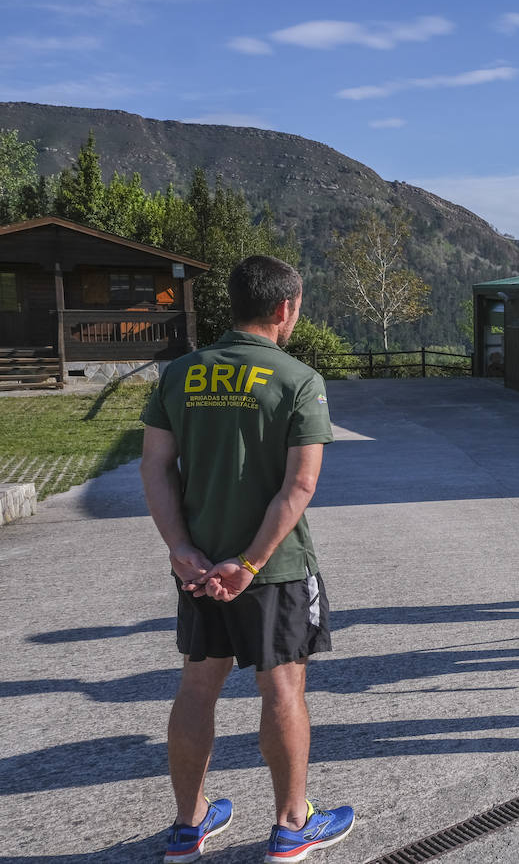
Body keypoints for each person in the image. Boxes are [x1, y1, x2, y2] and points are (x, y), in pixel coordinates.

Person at [140, 255, 353, 863]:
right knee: (282, 688)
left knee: (197, 685)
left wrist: (181, 548)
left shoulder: (179, 375)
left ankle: (190, 824)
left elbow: (156, 467)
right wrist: (252, 564)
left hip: (198, 566)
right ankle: (292, 825)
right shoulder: (298, 379)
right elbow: (299, 486)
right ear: (286, 308)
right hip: (273, 569)